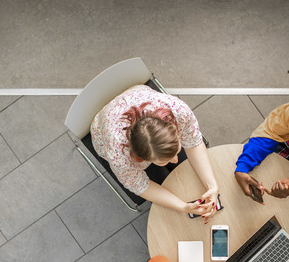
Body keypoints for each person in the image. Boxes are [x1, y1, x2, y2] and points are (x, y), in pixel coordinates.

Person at [91, 84, 219, 222]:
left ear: (174, 129)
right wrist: (182, 206)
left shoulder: (178, 110)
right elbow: (140, 185)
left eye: (176, 150)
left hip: (136, 93)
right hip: (103, 129)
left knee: (184, 169)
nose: (175, 160)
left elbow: (193, 143)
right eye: (163, 161)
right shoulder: (120, 157)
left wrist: (212, 186)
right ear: (140, 159)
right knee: (166, 182)